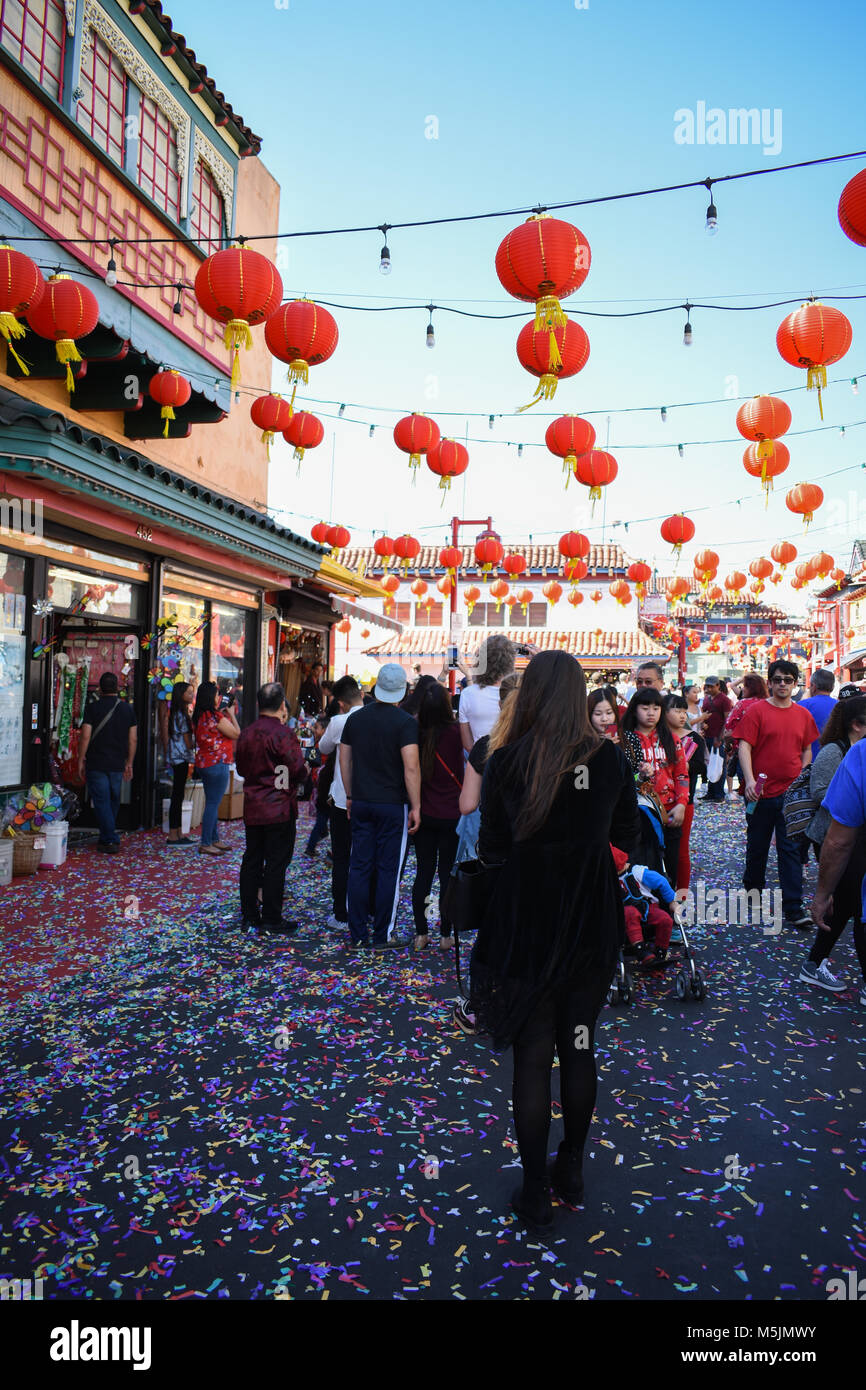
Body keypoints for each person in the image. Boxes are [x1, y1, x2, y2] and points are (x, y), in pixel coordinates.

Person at [460, 651, 640, 1229]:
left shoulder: (506, 760)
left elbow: (490, 848)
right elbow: (627, 834)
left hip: (525, 922)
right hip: (590, 918)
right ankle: (572, 1169)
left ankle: (534, 1190)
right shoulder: (608, 758)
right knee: (581, 1045)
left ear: (529, 695)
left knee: (534, 1056)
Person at [340, 663, 420, 948]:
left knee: (359, 866)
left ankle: (357, 933)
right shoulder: (405, 723)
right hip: (392, 804)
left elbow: (344, 760)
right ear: (403, 691)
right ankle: (382, 935)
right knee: (388, 870)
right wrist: (417, 806)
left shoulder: (355, 719)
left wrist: (350, 795)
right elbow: (411, 768)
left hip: (361, 800)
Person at [737, 659, 819, 930]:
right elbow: (745, 747)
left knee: (791, 849)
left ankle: (794, 907)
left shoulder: (803, 714)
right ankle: (753, 888)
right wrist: (749, 780)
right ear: (769, 682)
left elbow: (807, 749)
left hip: (792, 794)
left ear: (796, 685)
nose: (783, 684)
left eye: (788, 680)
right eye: (778, 679)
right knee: (758, 844)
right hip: (760, 793)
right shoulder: (756, 711)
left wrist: (802, 775)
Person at [799, 689, 866, 992]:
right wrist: (849, 800)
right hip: (835, 834)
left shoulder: (859, 752)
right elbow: (819, 792)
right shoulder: (836, 751)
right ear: (856, 724)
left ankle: (814, 962)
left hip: (852, 839)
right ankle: (814, 963)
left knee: (848, 902)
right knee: (848, 901)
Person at [234, 682, 306, 933]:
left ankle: (249, 915)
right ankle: (272, 918)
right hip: (278, 807)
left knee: (252, 859)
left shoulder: (247, 732)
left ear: (257, 704)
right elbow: (297, 769)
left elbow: (242, 769)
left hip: (254, 805)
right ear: (282, 705)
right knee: (276, 862)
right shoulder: (283, 734)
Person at [412, 682, 464, 950]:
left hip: (424, 812)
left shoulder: (415, 733)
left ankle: (421, 933)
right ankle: (445, 934)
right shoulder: (456, 733)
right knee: (447, 876)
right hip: (452, 814)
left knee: (423, 872)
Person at [621, 688, 688, 883]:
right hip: (641, 814)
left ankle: (671, 906)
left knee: (671, 866)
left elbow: (681, 773)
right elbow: (624, 778)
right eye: (645, 707)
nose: (651, 713)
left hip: (670, 811)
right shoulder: (626, 740)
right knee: (644, 868)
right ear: (634, 710)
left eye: (656, 708)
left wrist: (682, 803)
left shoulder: (671, 739)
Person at [319, 676, 365, 930]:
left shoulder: (338, 721)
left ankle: (341, 913)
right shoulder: (371, 717)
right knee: (365, 856)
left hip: (340, 799)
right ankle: (365, 908)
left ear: (340, 702)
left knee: (341, 858)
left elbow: (323, 747)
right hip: (369, 796)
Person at [77, 671, 137, 854]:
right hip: (117, 762)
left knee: (102, 800)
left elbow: (85, 736)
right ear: (117, 688)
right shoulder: (127, 709)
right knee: (112, 800)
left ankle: (109, 838)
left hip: (96, 762)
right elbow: (133, 739)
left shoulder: (92, 708)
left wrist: (80, 759)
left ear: (100, 688)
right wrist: (130, 762)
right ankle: (107, 837)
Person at [663, 693, 706, 894]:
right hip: (657, 800)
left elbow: (700, 767)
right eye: (677, 710)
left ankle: (681, 895)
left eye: (684, 711)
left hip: (683, 801)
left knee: (681, 851)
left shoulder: (693, 738)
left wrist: (685, 765)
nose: (682, 715)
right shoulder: (656, 738)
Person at [193, 680, 240, 856]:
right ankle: (206, 842)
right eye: (216, 695)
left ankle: (214, 838)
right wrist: (232, 714)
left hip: (204, 763)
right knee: (213, 803)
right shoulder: (216, 717)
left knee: (211, 802)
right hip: (218, 763)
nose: (219, 698)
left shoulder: (199, 716)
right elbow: (236, 733)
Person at [610, 843, 677, 962]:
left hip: (646, 907)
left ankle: (660, 951)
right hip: (624, 913)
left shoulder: (637, 872)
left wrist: (671, 901)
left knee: (665, 919)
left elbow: (661, 881)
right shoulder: (608, 880)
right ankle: (640, 949)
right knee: (630, 913)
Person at [458, 635, 516, 752]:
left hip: (479, 762)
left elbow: (468, 745)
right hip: (511, 760)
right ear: (510, 661)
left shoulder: (467, 694)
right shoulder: (518, 692)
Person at [723, 673, 768, 798]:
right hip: (766, 753)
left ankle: (752, 813)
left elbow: (728, 730)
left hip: (744, 753)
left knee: (750, 791)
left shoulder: (742, 704)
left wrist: (728, 745)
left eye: (745, 686)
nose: (743, 689)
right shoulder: (769, 704)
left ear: (750, 688)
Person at [165, 681, 195, 846]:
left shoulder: (177, 713)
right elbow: (187, 741)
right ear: (180, 695)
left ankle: (176, 833)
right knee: (177, 795)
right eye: (189, 693)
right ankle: (173, 834)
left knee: (178, 795)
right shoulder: (181, 715)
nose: (192, 696)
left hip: (176, 757)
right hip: (180, 757)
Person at [700, 675, 733, 802]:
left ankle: (719, 794)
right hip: (707, 735)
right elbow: (704, 715)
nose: (708, 688)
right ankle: (711, 792)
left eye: (711, 686)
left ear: (718, 686)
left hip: (718, 736)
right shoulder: (706, 699)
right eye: (707, 686)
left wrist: (720, 737)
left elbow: (727, 720)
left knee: (720, 764)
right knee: (710, 764)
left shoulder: (724, 700)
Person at [303, 714, 331, 858]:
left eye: (317, 728)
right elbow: (313, 766)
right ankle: (311, 846)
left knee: (322, 818)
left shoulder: (319, 745)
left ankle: (320, 836)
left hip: (320, 787)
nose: (314, 730)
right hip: (322, 788)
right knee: (321, 819)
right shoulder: (318, 746)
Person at [798, 668, 837, 761]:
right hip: (834, 760)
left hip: (806, 761)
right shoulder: (840, 706)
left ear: (813, 686)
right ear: (832, 687)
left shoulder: (802, 706)